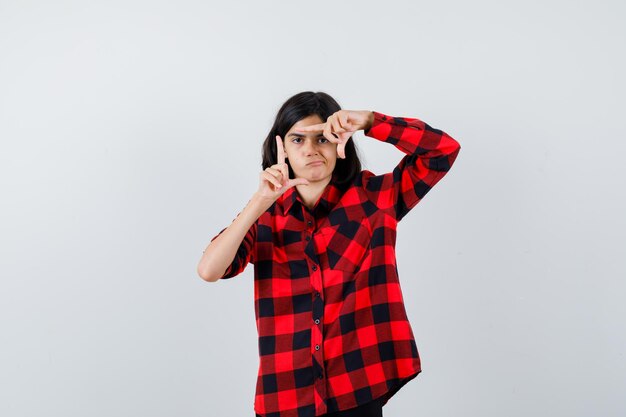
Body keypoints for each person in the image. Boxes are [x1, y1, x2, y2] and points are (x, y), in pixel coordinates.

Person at [197, 91, 461, 417]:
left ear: (340, 144)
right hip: (286, 395)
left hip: (357, 388)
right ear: (280, 148)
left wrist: (370, 121)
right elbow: (210, 270)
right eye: (297, 140)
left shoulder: (375, 199)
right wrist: (258, 202)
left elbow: (441, 151)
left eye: (322, 138)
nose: (310, 150)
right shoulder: (265, 216)